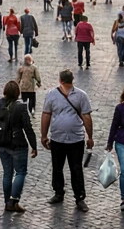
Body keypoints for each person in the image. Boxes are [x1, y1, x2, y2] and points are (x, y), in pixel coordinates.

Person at [40, 69, 94, 211]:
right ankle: (70, 195)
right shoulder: (79, 95)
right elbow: (87, 117)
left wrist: (43, 135)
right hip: (61, 138)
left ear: (60, 80)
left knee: (69, 167)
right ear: (72, 79)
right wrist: (90, 137)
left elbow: (46, 115)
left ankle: (71, 195)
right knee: (67, 167)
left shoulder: (77, 95)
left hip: (73, 138)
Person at [0, 80, 38, 213]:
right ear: (17, 93)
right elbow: (27, 127)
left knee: (7, 173)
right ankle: (13, 200)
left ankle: (7, 202)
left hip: (2, 144)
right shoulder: (21, 106)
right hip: (18, 144)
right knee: (20, 172)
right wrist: (34, 145)